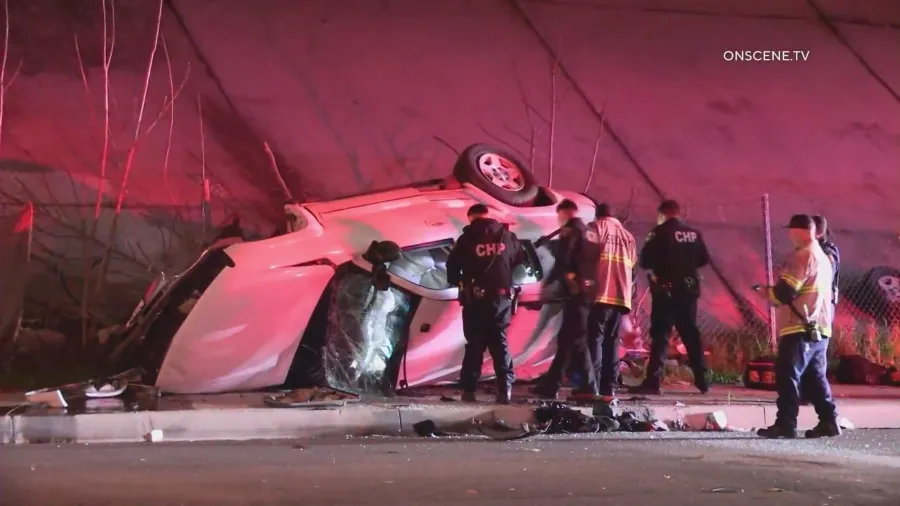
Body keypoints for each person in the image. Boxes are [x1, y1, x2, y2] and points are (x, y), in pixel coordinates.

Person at [755, 214, 840, 439]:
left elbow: (786, 292)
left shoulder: (802, 256)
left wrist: (766, 292)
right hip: (820, 327)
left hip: (799, 326)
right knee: (815, 377)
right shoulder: (823, 257)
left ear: (801, 231)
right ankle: (829, 421)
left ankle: (786, 423)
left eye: (791, 230)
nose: (790, 235)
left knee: (787, 374)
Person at [446, 203, 527, 404]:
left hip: (477, 299)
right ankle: (505, 389)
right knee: (500, 342)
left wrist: (462, 281)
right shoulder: (508, 237)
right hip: (503, 299)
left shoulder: (466, 239)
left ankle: (469, 391)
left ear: (471, 217)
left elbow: (452, 273)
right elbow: (520, 267)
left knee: (475, 344)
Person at [631, 199, 710, 395]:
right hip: (689, 290)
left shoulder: (659, 232)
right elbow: (704, 259)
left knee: (661, 335)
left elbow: (645, 261)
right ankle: (703, 380)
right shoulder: (693, 234)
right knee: (690, 334)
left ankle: (653, 381)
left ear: (662, 214)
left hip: (666, 290)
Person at [530, 199, 602, 400]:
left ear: (563, 214)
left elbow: (563, 262)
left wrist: (546, 287)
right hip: (590, 288)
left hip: (575, 290)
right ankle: (551, 384)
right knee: (567, 338)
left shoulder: (569, 231)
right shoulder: (591, 233)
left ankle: (590, 385)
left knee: (577, 338)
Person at [586, 203, 637, 399]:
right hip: (620, 296)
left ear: (598, 215)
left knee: (595, 338)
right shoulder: (628, 236)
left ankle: (593, 384)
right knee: (612, 341)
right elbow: (632, 265)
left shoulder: (596, 228)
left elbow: (586, 257)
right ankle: (610, 386)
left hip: (600, 292)